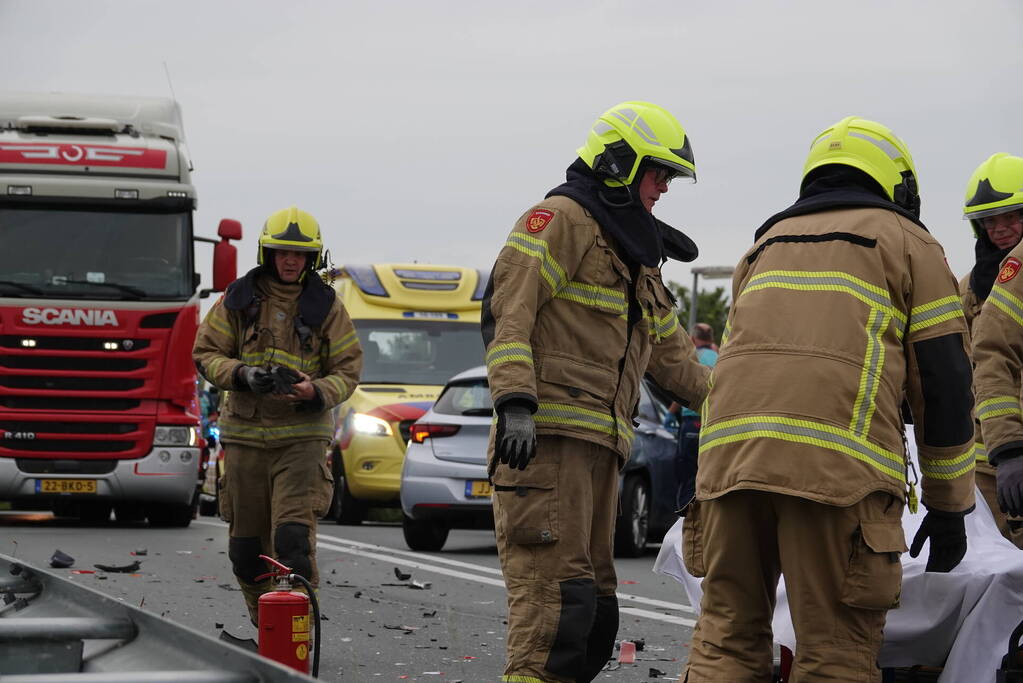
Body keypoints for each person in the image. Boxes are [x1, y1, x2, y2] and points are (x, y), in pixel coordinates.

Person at [684, 117, 975, 682]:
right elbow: (944, 383)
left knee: (726, 642)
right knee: (834, 652)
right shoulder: (909, 243)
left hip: (728, 472)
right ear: (897, 182)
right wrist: (949, 505)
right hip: (837, 478)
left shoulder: (762, 246)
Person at [482, 101, 711, 683]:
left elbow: (675, 356)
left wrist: (740, 410)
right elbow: (508, 311)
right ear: (618, 164)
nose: (663, 188)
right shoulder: (561, 220)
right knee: (553, 615)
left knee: (591, 619)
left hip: (602, 448)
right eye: (657, 173)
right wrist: (514, 403)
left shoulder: (632, 251)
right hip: (545, 444)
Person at [193, 206, 362, 625]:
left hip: (301, 440)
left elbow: (349, 370)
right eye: (283, 252)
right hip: (246, 436)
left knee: (292, 543)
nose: (291, 261)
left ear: (312, 259)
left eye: (300, 254)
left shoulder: (328, 308)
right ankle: (265, 622)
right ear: (267, 254)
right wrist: (242, 374)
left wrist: (315, 391)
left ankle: (295, 631)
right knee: (246, 550)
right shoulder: (238, 299)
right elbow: (205, 353)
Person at [959, 153, 1023, 548]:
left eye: (1011, 216)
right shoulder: (967, 287)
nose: (999, 229)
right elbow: (983, 358)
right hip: (984, 463)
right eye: (989, 220)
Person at [667, 322, 719, 509]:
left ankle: (685, 519)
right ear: (711, 339)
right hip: (713, 422)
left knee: (687, 477)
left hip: (692, 422)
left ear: (693, 339)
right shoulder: (721, 358)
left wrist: (671, 414)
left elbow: (684, 389)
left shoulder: (694, 357)